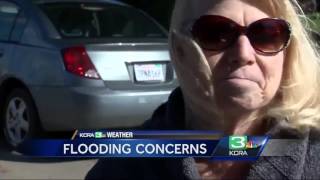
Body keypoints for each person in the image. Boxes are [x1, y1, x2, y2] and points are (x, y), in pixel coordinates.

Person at [86, 0, 320, 179]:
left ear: (287, 54)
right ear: (180, 50)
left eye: (267, 35)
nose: (244, 54)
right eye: (217, 33)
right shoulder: (123, 169)